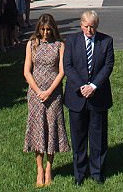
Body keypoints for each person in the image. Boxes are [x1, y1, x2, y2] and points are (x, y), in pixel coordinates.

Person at [63, 10, 114, 185]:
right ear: (81, 25)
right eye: (86, 26)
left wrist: (93, 86)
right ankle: (79, 173)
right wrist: (82, 86)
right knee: (78, 137)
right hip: (77, 96)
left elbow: (108, 66)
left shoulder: (106, 41)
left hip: (98, 95)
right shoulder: (71, 41)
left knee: (98, 136)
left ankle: (97, 172)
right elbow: (68, 66)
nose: (89, 30)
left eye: (93, 27)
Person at [23, 14, 69, 188]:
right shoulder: (32, 44)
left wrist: (49, 91)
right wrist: (38, 91)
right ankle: (39, 169)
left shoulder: (59, 45)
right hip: (35, 92)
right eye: (42, 30)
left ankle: (49, 167)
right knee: (37, 128)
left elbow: (62, 71)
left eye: (48, 30)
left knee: (51, 128)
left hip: (54, 92)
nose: (45, 33)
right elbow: (27, 71)